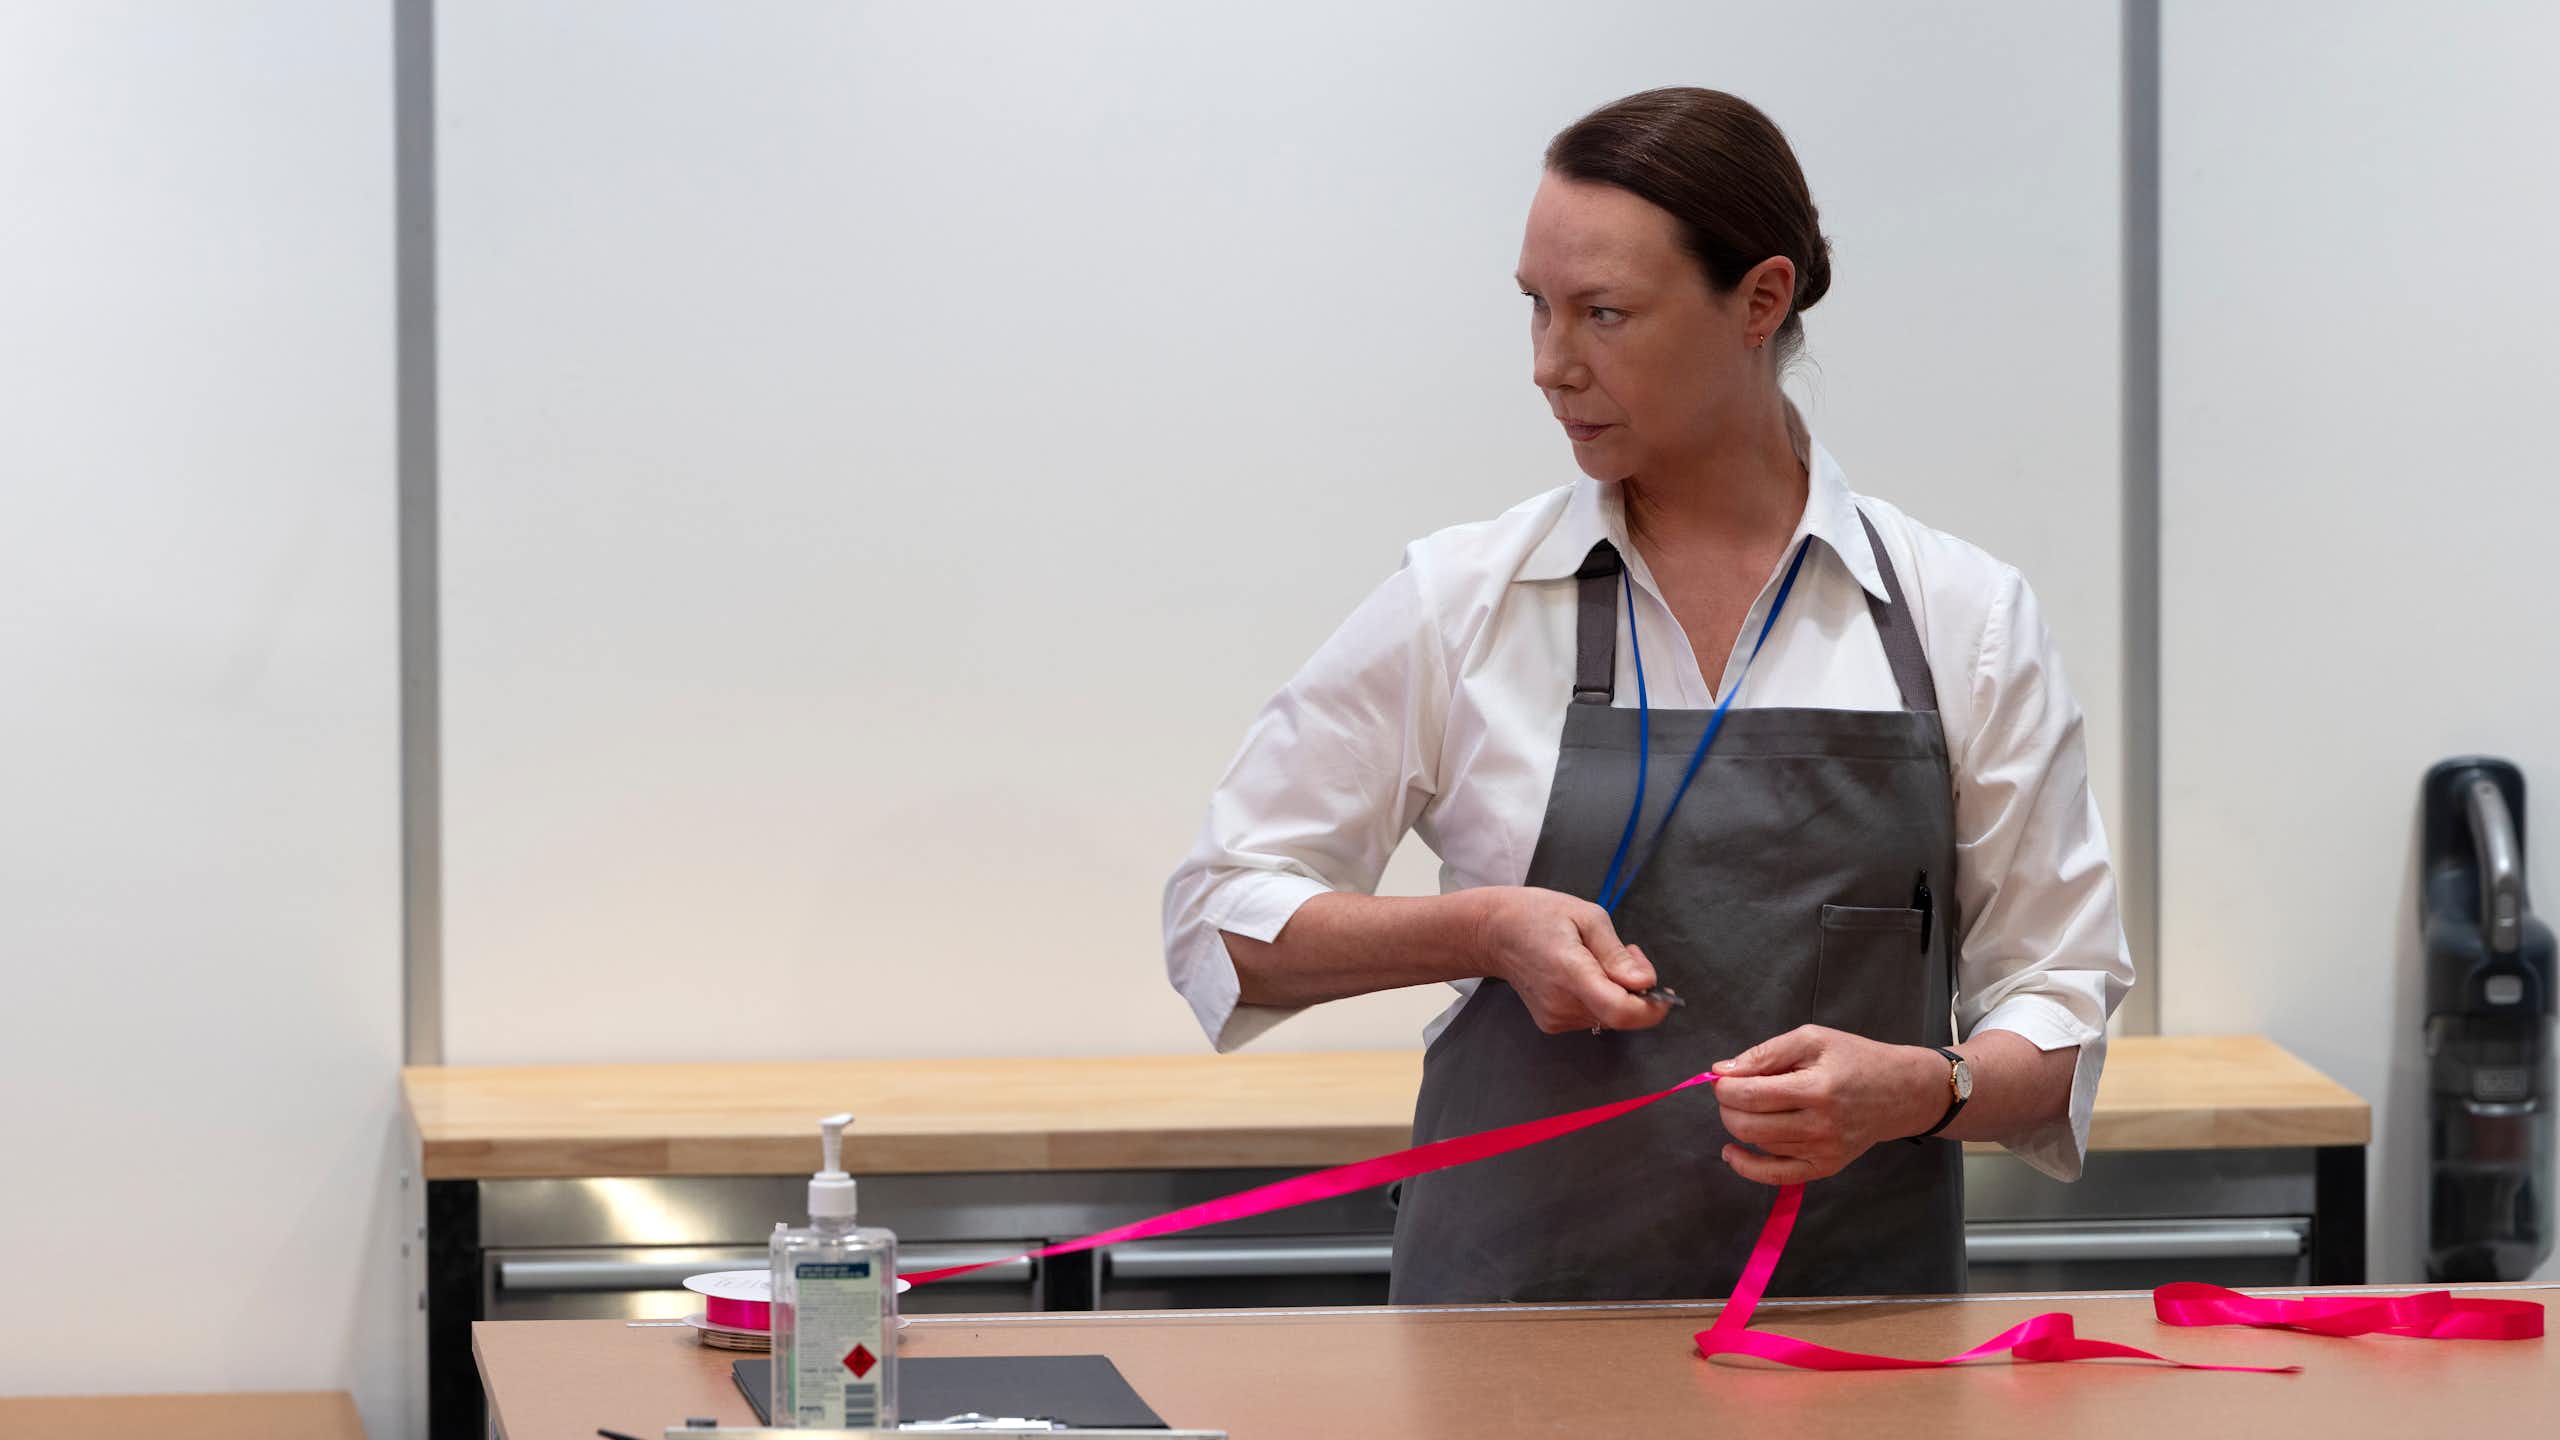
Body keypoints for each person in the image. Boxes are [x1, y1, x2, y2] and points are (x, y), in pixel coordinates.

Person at [1162, 87, 2134, 1302]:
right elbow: (1219, 920)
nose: (1548, 365)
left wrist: (1924, 1087)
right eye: (1535, 306)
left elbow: (2059, 1006)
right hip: (1503, 1355)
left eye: (1603, 314)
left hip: (1852, 1355)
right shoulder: (1462, 600)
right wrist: (1477, 932)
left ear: (1760, 301)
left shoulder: (1962, 621)